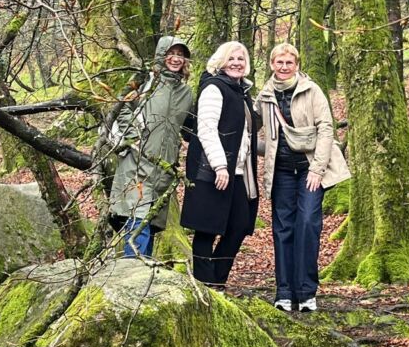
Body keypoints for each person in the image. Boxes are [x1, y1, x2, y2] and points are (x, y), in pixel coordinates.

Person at [255, 43, 350, 313]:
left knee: (308, 224)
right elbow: (251, 125)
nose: (284, 67)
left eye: (289, 63)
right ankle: (284, 292)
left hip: (309, 169)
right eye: (279, 62)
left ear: (296, 65)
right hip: (281, 171)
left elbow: (326, 128)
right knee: (283, 229)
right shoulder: (265, 95)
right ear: (272, 64)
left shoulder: (312, 90)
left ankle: (306, 291)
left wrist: (317, 170)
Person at [107, 36, 194, 258]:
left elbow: (188, 128)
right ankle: (132, 273)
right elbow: (121, 107)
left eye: (180, 54)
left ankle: (143, 270)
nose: (176, 58)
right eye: (171, 53)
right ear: (161, 55)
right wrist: (134, 136)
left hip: (164, 167)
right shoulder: (146, 82)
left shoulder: (186, 93)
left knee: (151, 221)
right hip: (137, 163)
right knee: (137, 219)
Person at [182, 41, 259, 288]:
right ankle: (206, 284)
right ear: (221, 62)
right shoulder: (214, 88)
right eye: (231, 58)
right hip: (211, 171)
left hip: (236, 173)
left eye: (241, 59)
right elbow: (206, 130)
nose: (236, 63)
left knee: (239, 225)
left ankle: (216, 281)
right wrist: (220, 165)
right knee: (207, 228)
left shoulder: (241, 92)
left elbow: (246, 135)